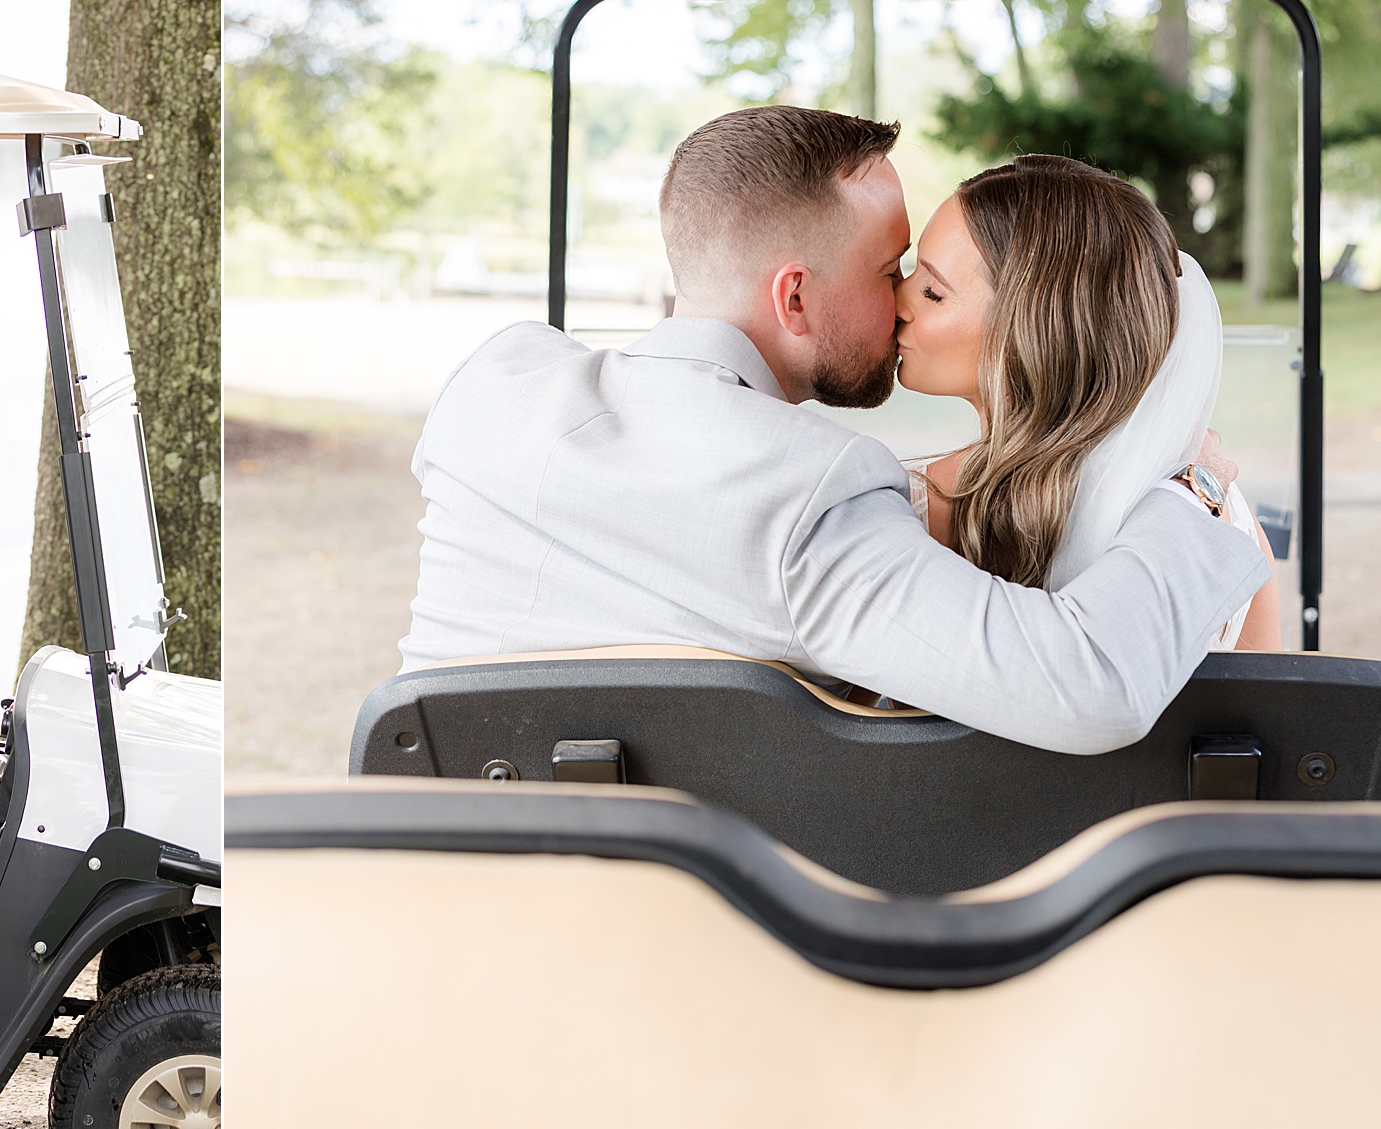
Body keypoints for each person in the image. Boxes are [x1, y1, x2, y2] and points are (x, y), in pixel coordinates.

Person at [401, 106, 1273, 754]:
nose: (897, 298)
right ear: (793, 296)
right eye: (892, 269)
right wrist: (1195, 491)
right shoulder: (815, 491)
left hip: (433, 865)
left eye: (921, 282)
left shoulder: (494, 387)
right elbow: (1089, 687)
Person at [893, 153, 1279, 648]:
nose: (898, 300)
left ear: (1031, 329)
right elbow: (1263, 714)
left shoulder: (915, 515)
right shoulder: (1220, 525)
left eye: (931, 292)